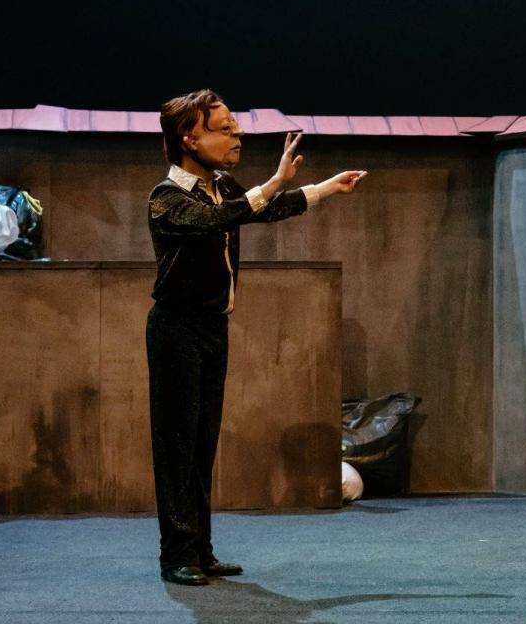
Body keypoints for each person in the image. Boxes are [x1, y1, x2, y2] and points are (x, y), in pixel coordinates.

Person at [147, 89, 365, 586]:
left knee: (202, 445)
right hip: (176, 330)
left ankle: (199, 550)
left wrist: (325, 188)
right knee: (177, 446)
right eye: (224, 129)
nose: (237, 136)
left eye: (235, 127)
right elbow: (217, 219)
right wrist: (272, 183)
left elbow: (260, 209)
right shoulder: (167, 197)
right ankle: (176, 555)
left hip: (212, 328)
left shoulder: (222, 185)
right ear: (189, 138)